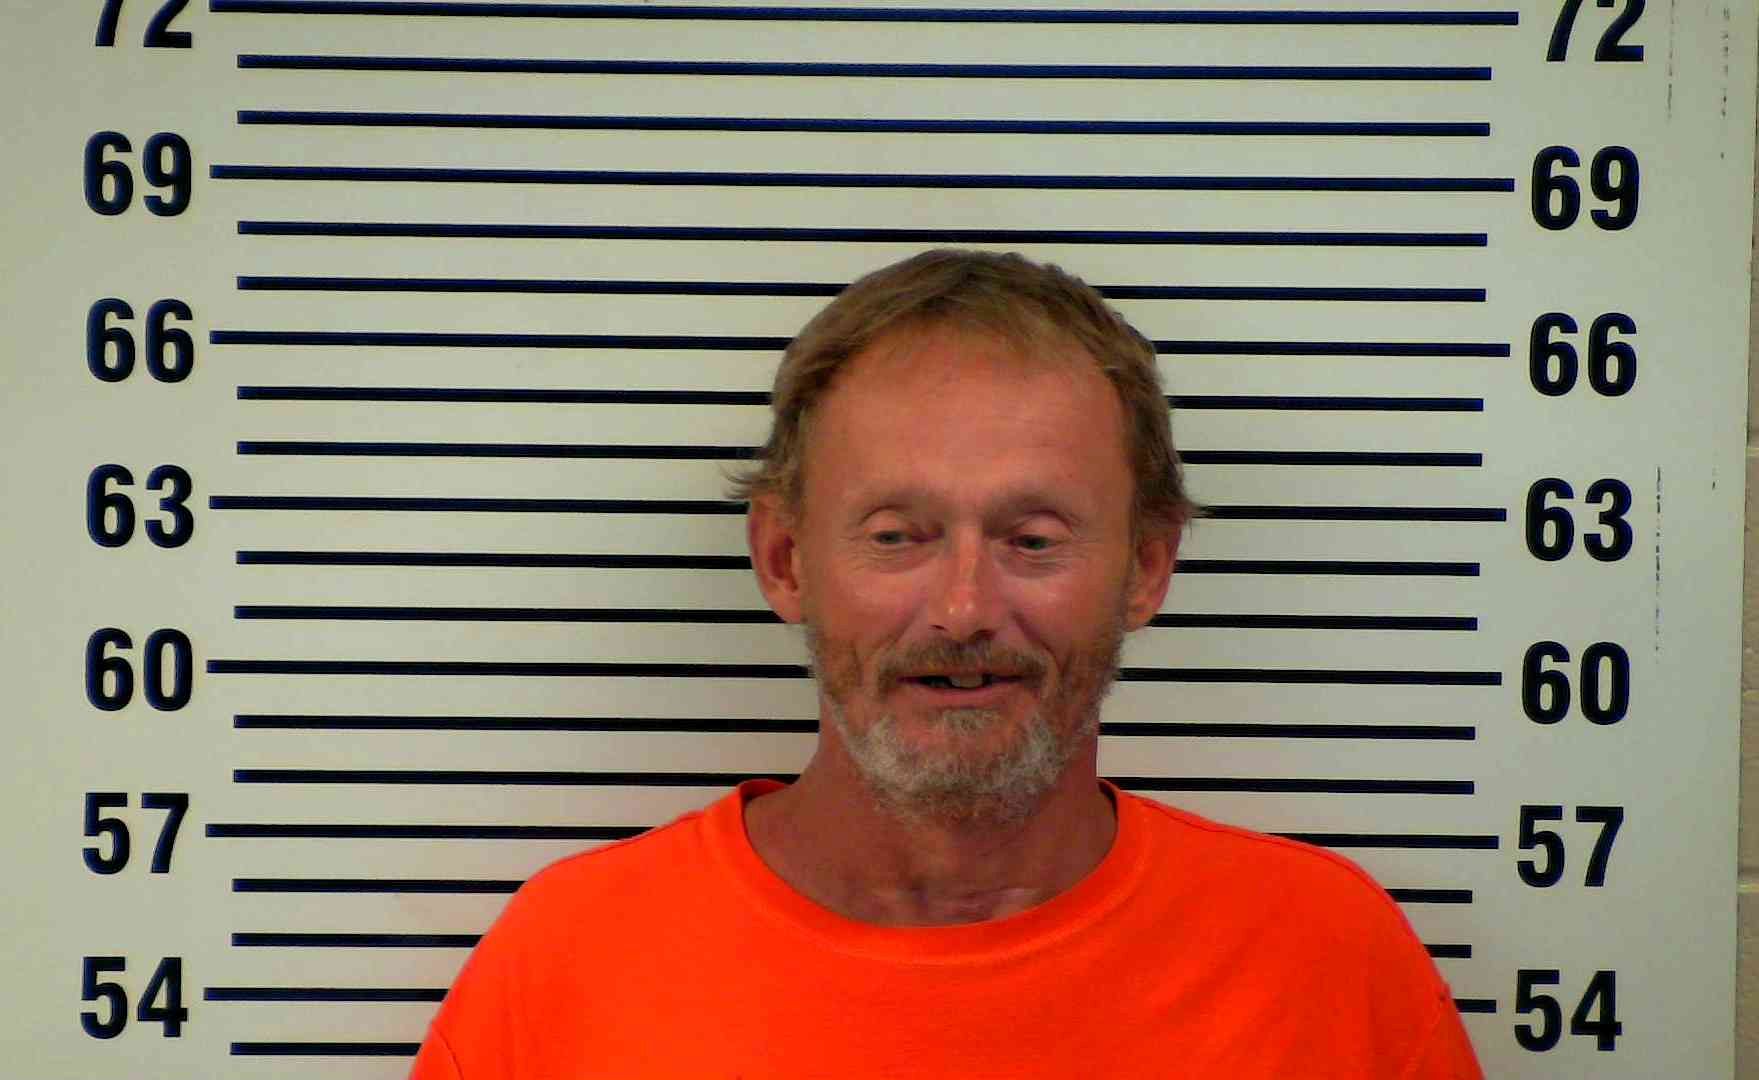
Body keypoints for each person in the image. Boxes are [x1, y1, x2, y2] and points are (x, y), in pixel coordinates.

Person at [409, 250, 1484, 1078]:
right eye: (896, 535)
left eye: (1033, 539)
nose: (964, 610)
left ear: (1146, 568)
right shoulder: (568, 966)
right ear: (784, 561)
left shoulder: (1327, 963)